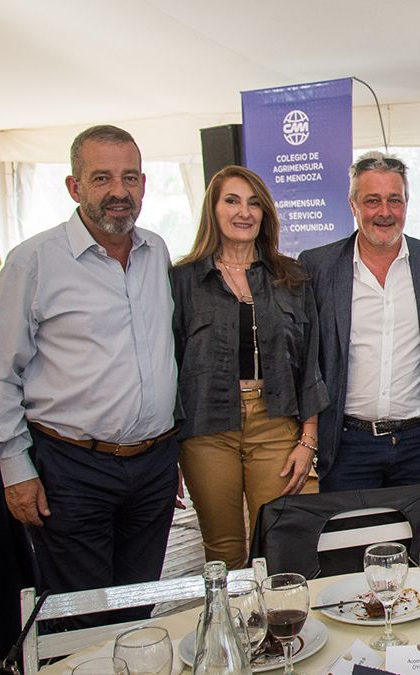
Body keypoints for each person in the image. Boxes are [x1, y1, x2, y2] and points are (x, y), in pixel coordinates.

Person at [0, 125, 178, 625]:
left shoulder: (157, 252)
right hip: (72, 468)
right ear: (74, 187)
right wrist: (15, 469)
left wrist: (169, 450)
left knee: (138, 607)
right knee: (82, 615)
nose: (119, 191)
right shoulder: (33, 262)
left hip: (153, 466)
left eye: (130, 177)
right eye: (102, 178)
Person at [171, 165, 329, 569]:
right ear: (214, 209)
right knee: (223, 554)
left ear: (265, 214)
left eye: (254, 203)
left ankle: (283, 631)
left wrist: (308, 438)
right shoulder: (183, 280)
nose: (244, 212)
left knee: (284, 544)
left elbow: (311, 361)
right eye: (232, 200)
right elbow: (168, 364)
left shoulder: (290, 276)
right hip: (207, 430)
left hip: (276, 425)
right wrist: (165, 453)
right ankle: (236, 629)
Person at [299, 152, 420, 491]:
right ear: (352, 204)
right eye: (372, 201)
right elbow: (308, 360)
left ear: (407, 203)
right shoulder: (318, 266)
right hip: (346, 447)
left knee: (416, 541)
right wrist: (308, 436)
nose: (385, 212)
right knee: (350, 542)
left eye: (394, 200)